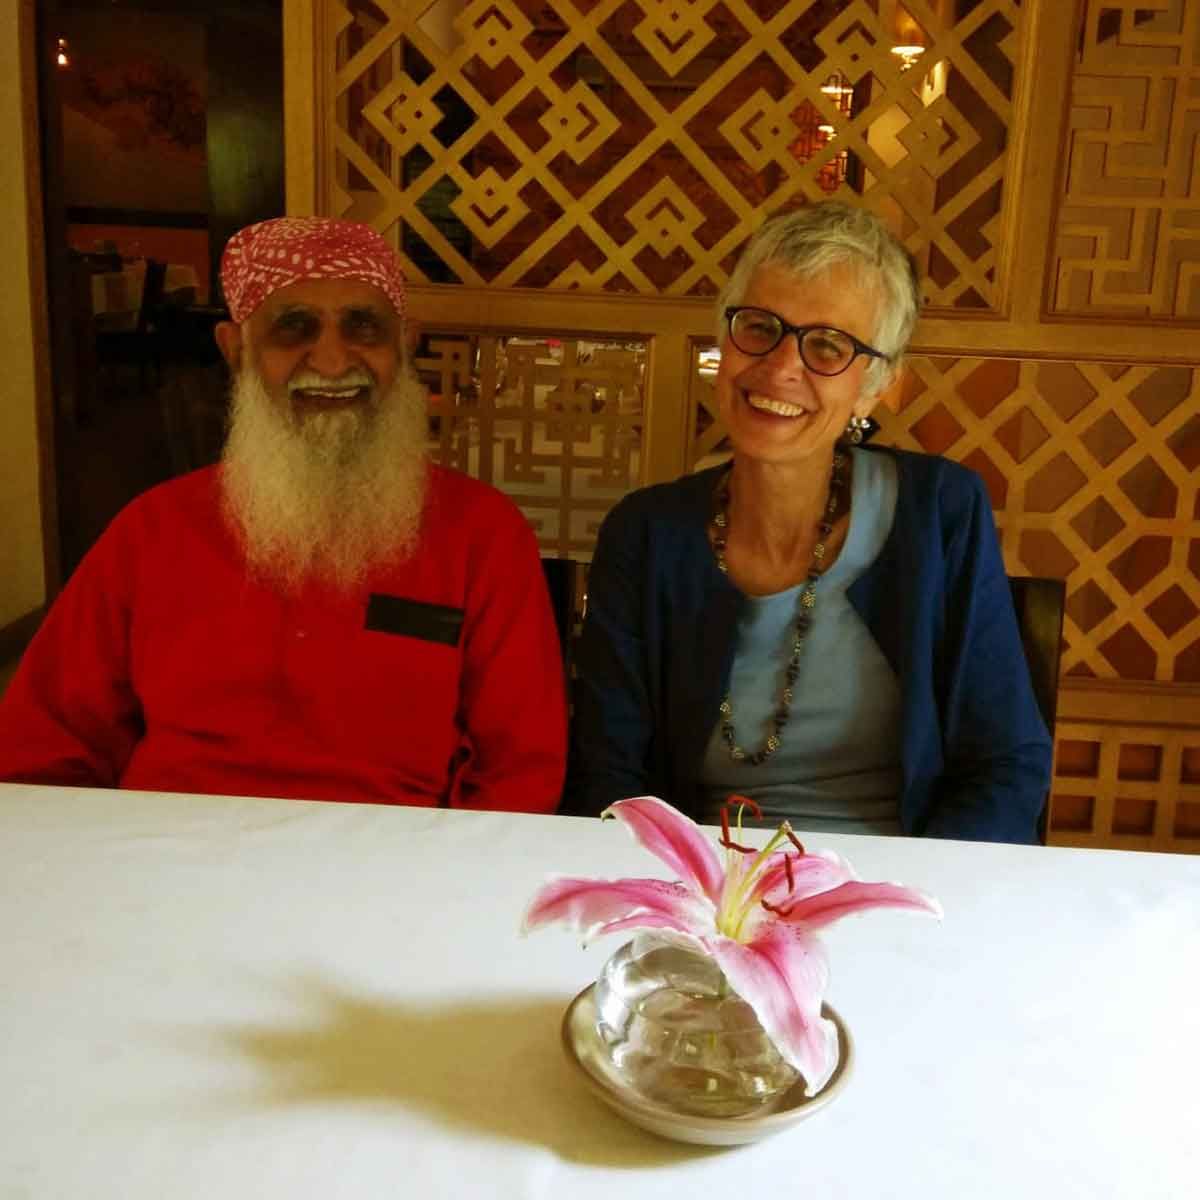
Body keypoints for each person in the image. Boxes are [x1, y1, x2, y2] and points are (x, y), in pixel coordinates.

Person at [0, 217, 566, 811]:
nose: (332, 361)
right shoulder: (153, 530)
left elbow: (519, 768)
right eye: (293, 329)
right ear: (235, 349)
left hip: (392, 855)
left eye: (364, 327)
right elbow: (45, 743)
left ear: (404, 345)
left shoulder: (483, 534)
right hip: (173, 848)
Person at [564, 201, 1051, 843]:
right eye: (759, 327)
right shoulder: (645, 533)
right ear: (724, 341)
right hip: (704, 877)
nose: (780, 367)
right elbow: (609, 778)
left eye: (827, 345)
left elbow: (1005, 764)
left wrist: (919, 893)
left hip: (902, 873)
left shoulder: (939, 512)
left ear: (877, 385)